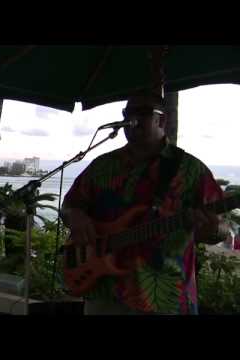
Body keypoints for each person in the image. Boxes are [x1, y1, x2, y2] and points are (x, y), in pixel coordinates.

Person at [61, 92, 230, 315]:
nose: (132, 119)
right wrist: (75, 215)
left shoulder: (190, 170)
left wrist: (212, 228)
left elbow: (221, 229)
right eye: (127, 113)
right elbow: (70, 206)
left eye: (142, 113)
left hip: (163, 298)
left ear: (162, 120)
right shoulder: (101, 166)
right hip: (103, 292)